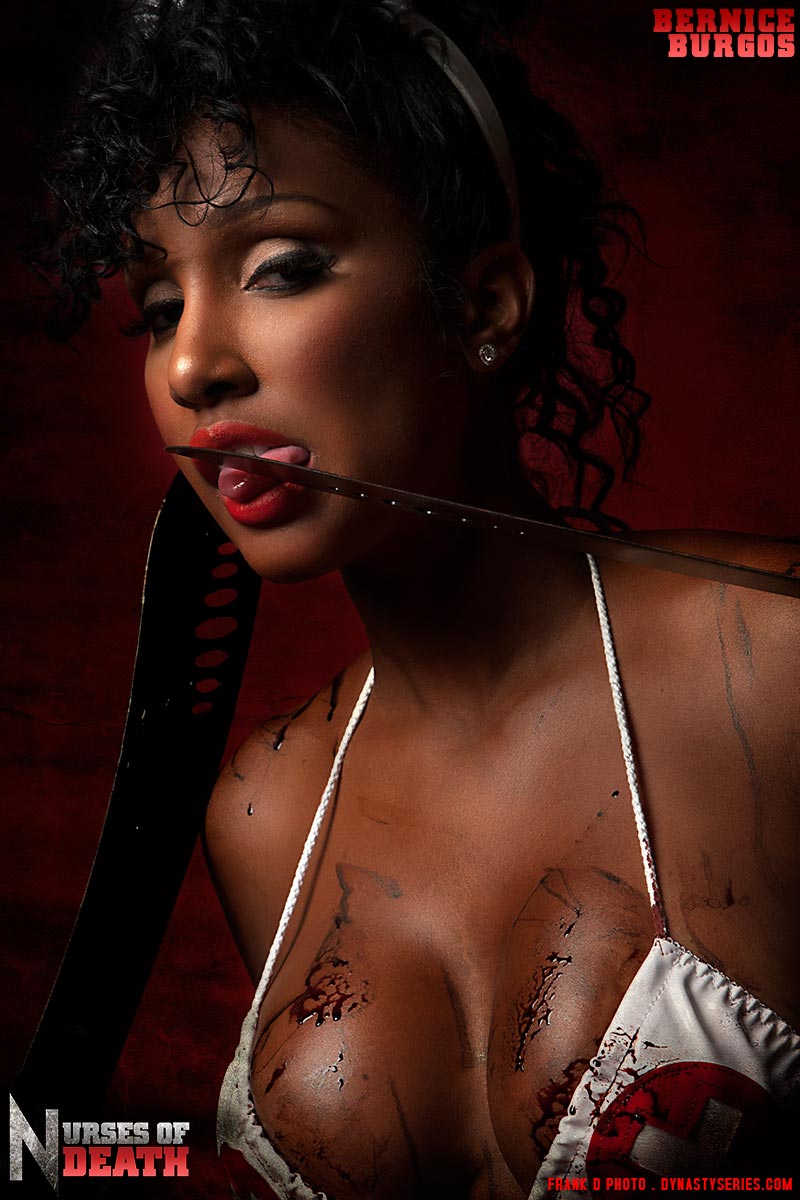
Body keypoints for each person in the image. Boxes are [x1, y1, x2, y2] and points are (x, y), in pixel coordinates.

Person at [30, 0, 799, 1194]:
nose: (191, 366)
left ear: (481, 306)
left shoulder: (770, 661)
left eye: (281, 268)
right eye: (160, 308)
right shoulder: (263, 812)